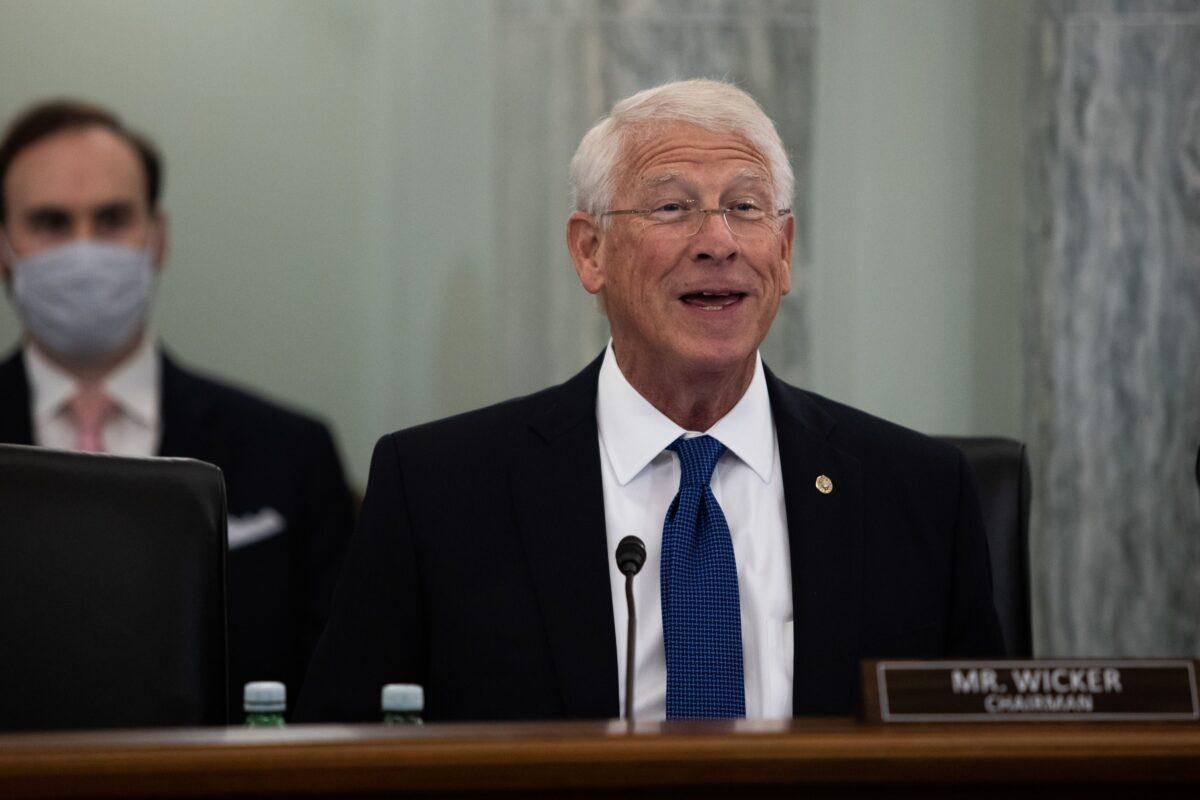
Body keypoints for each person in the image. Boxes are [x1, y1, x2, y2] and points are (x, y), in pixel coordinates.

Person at [296, 79, 1003, 723]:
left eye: (745, 208)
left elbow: (984, 761)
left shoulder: (919, 497)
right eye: (673, 207)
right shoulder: (438, 494)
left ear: (783, 253)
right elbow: (338, 756)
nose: (718, 242)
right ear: (590, 252)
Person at [0, 100, 355, 720]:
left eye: (111, 219)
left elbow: (339, 695)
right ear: (5, 248)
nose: (84, 251)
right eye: (52, 223)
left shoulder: (291, 455)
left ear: (156, 236)